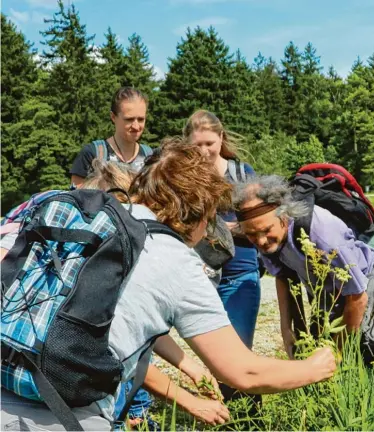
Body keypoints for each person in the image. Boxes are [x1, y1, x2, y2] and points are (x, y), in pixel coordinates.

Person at [1, 141, 337, 431]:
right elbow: (243, 371)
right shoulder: (176, 261)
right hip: (65, 415)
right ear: (200, 213)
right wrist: (315, 367)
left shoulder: (95, 220)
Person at [0, 160, 227, 430]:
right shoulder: (95, 252)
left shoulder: (54, 224)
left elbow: (136, 321)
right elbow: (94, 342)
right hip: (53, 399)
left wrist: (189, 365)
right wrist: (189, 401)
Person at [232, 175, 374, 361]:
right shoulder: (265, 236)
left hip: (365, 289)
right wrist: (288, 331)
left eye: (266, 231)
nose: (261, 241)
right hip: (325, 296)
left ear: (283, 217)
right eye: (251, 235)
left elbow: (357, 297)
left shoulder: (321, 233)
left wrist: (338, 354)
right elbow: (284, 278)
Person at [183, 110, 261, 402]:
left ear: (221, 139)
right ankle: (225, 413)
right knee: (215, 356)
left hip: (241, 272)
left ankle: (249, 417)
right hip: (201, 276)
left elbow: (262, 219)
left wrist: (233, 228)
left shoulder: (242, 173)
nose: (203, 151)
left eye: (209, 144)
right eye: (197, 145)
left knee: (239, 352)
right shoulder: (185, 178)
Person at [70, 87, 152, 188]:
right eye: (129, 119)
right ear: (113, 117)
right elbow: (76, 199)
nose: (136, 126)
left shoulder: (150, 158)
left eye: (141, 119)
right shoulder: (92, 154)